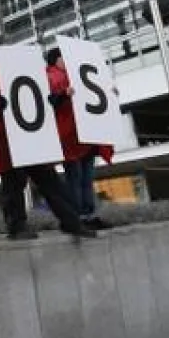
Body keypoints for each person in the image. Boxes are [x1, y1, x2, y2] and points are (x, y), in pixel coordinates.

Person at [0, 35, 95, 241]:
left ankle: (71, 221)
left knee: (48, 180)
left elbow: (41, 93)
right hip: (7, 137)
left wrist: (58, 97)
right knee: (15, 183)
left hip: (29, 132)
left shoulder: (15, 66)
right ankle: (18, 226)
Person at [45, 48, 112, 232]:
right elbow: (49, 102)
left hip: (84, 136)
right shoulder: (51, 77)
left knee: (86, 178)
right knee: (76, 179)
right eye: (63, 58)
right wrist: (64, 94)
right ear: (56, 60)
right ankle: (78, 216)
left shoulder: (77, 75)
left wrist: (108, 93)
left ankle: (88, 214)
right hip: (71, 137)